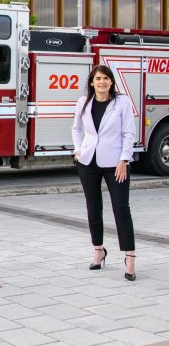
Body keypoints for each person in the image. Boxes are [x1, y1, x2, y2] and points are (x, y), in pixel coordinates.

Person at [72, 65, 137, 281]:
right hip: (88, 161)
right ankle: (98, 250)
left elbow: (129, 133)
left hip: (115, 163)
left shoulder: (122, 102)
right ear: (92, 82)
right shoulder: (83, 102)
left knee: (121, 208)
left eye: (106, 79)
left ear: (111, 82)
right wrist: (78, 149)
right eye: (98, 78)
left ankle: (129, 256)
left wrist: (124, 160)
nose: (102, 82)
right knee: (93, 208)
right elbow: (76, 128)